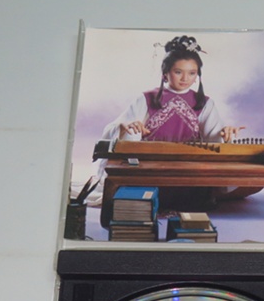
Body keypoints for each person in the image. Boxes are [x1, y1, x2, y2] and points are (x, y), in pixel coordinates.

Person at [99, 35, 242, 210]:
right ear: (165, 73)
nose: (185, 78)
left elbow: (214, 138)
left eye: (192, 73)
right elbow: (113, 130)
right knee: (130, 137)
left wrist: (225, 134)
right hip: (149, 169)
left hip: (188, 171)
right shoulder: (147, 98)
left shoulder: (204, 102)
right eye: (178, 72)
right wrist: (125, 128)